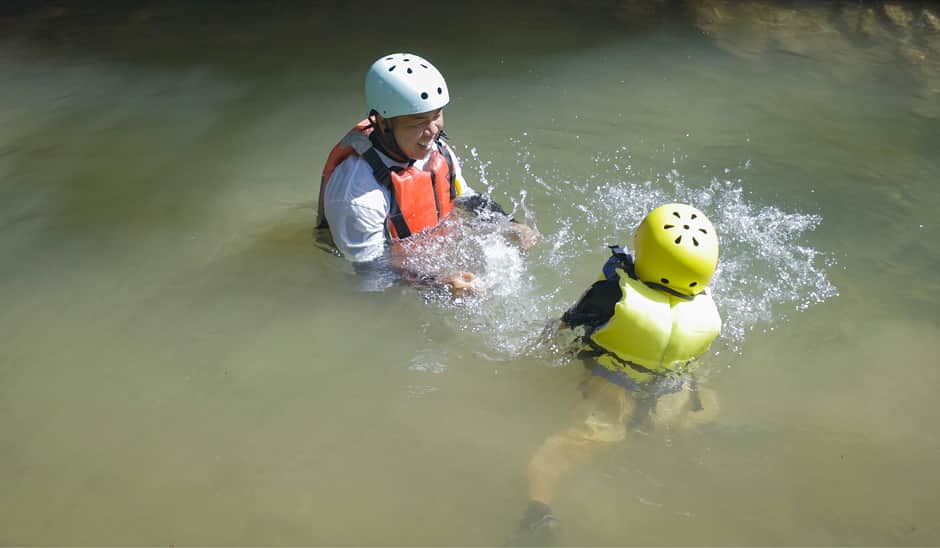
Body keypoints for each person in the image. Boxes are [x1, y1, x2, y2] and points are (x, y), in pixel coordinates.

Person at [511, 203, 723, 546]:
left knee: (551, 459)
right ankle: (718, 432)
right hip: (675, 404)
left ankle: (537, 515)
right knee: (706, 402)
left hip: (612, 400)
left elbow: (562, 330)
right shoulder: (707, 310)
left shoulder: (613, 294)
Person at [317, 52, 537, 294]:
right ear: (383, 123)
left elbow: (463, 195)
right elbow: (371, 272)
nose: (432, 131)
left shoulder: (437, 151)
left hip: (426, 249)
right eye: (418, 121)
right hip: (379, 271)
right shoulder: (358, 196)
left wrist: (510, 223)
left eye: (437, 115)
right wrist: (436, 283)